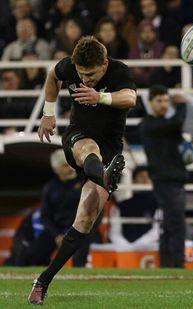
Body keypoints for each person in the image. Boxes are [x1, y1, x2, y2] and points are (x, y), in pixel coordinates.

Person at [27, 35, 136, 305]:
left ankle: (42, 281)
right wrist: (48, 112)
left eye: (91, 74)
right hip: (78, 136)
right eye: (82, 74)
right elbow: (52, 75)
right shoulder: (70, 67)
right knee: (89, 150)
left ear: (104, 63)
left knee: (86, 218)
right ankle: (106, 175)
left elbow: (130, 98)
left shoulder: (119, 70)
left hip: (111, 146)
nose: (85, 79)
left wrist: (101, 96)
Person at [139, 84, 193, 268]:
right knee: (177, 225)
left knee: (168, 225)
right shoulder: (149, 125)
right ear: (150, 103)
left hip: (174, 180)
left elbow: (184, 158)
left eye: (166, 100)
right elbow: (176, 122)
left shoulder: (167, 128)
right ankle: (178, 266)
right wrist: (180, 104)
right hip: (165, 181)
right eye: (159, 101)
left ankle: (166, 265)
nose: (164, 104)